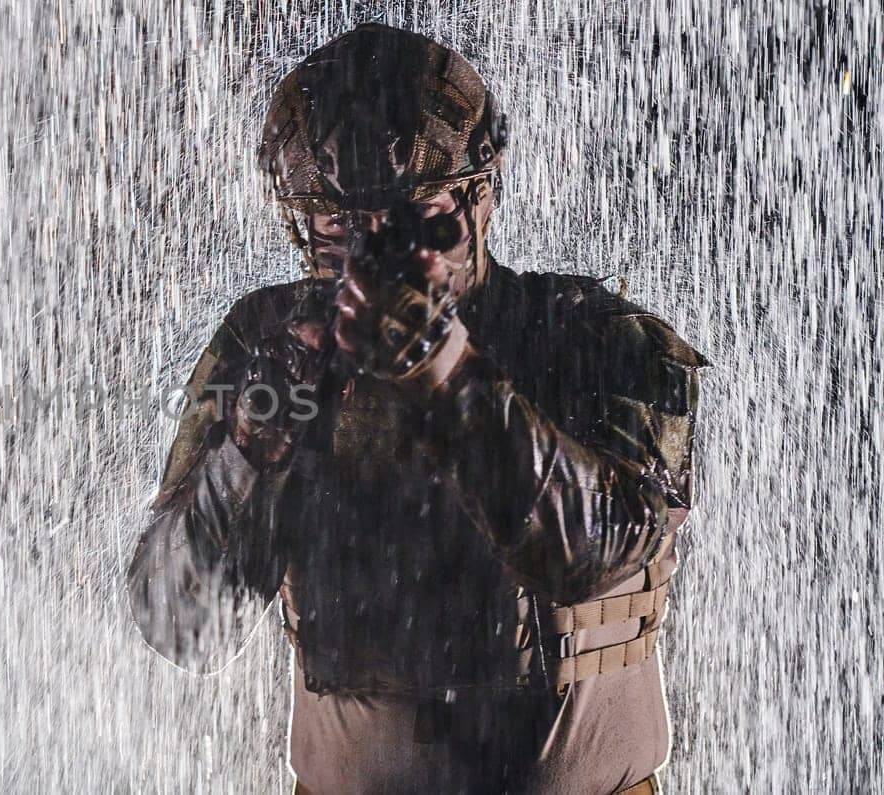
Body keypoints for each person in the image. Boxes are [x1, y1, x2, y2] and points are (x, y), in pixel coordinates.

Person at [125, 23, 708, 794]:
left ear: (480, 195)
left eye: (413, 218)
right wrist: (248, 452)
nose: (376, 251)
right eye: (342, 224)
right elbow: (182, 625)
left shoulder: (602, 341)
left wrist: (441, 369)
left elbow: (596, 548)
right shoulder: (270, 344)